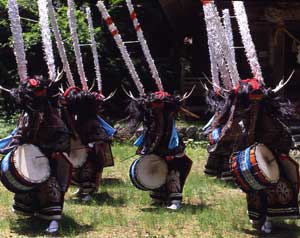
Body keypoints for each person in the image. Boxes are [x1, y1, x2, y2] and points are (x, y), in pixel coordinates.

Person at [0, 75, 72, 234]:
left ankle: (53, 220)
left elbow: (63, 133)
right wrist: (18, 141)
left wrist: (56, 149)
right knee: (29, 185)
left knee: (50, 187)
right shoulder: (27, 114)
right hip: (30, 155)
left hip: (48, 155)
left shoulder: (51, 113)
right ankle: (35, 213)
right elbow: (21, 132)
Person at [125, 91, 193, 210]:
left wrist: (170, 152)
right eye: (153, 103)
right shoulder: (150, 115)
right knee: (156, 169)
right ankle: (159, 198)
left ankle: (175, 200)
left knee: (173, 172)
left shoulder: (168, 115)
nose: (155, 106)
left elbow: (168, 134)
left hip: (171, 148)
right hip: (156, 148)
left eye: (158, 103)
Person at [61, 87, 115, 201]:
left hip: (92, 152)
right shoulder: (77, 119)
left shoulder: (92, 121)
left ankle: (88, 192)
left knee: (89, 170)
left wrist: (90, 145)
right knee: (77, 170)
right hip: (81, 149)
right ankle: (81, 188)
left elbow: (99, 136)